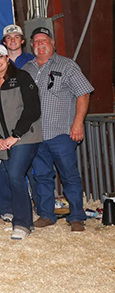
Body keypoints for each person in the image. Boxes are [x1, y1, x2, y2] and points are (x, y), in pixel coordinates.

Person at [22, 27, 94, 232]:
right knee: (42, 176)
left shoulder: (67, 65)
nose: (39, 44)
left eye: (44, 40)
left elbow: (84, 94)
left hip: (62, 132)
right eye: (35, 41)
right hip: (36, 134)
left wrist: (78, 123)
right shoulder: (27, 68)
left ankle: (77, 216)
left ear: (53, 43)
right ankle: (46, 214)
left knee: (69, 175)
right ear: (31, 45)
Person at [0, 44, 42, 240]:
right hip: (3, 141)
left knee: (15, 174)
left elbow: (33, 109)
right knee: (11, 176)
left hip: (25, 136)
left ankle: (22, 224)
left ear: (8, 58)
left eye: (1, 56)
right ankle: (20, 215)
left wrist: (15, 135)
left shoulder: (22, 78)